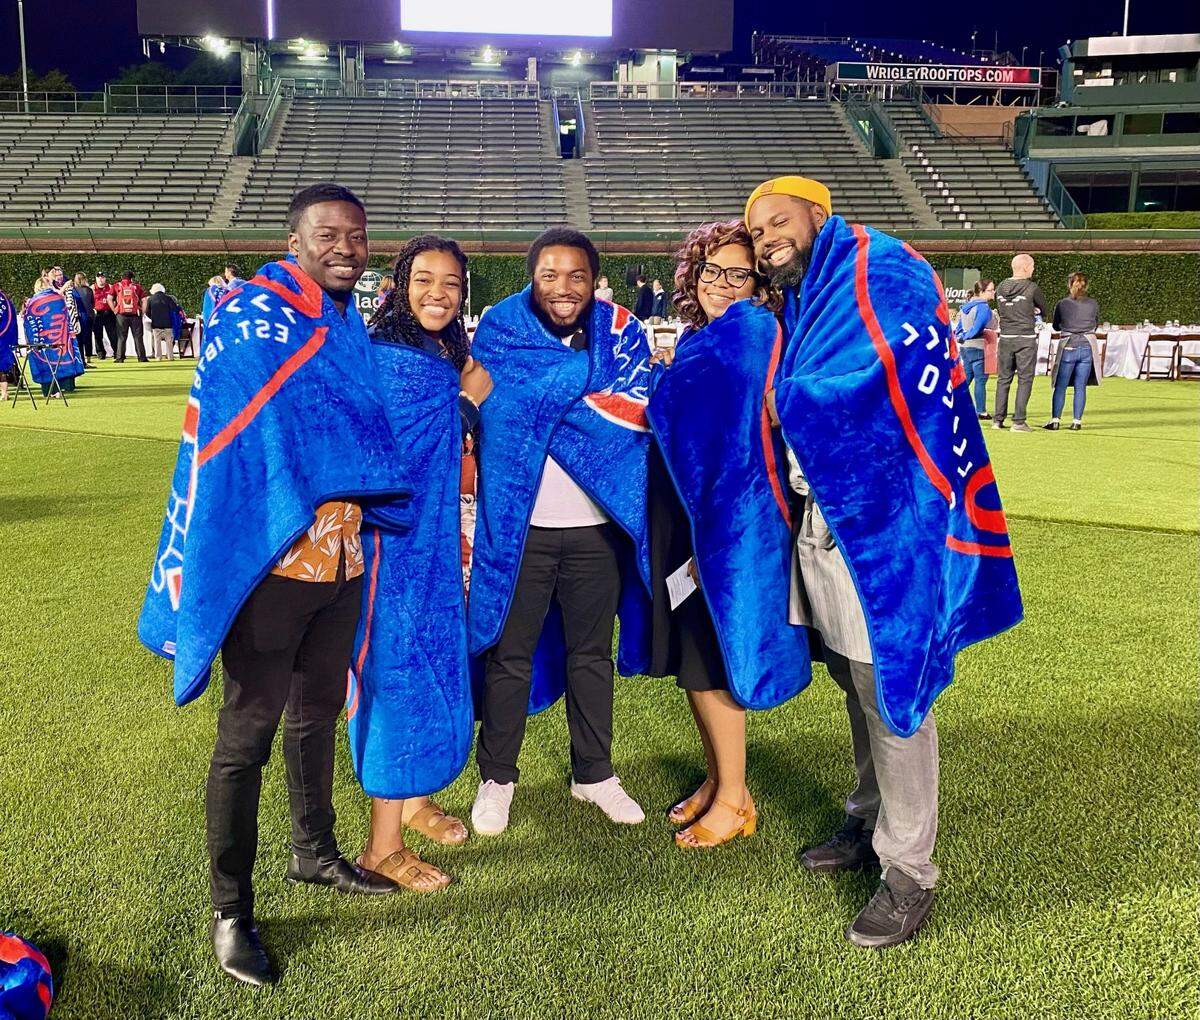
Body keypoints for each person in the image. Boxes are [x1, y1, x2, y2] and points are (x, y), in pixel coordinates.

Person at [139, 183, 414, 988]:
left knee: (318, 712)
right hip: (271, 563)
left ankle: (314, 852)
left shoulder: (346, 322)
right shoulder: (252, 316)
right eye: (328, 234)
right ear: (294, 241)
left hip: (342, 560)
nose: (345, 247)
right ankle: (230, 911)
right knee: (246, 735)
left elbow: (357, 428)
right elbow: (245, 436)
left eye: (357, 235)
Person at [745, 176, 1022, 949]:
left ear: (818, 214)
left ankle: (909, 871)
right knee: (855, 680)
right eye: (756, 231)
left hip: (885, 525)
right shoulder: (810, 297)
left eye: (778, 221)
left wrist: (788, 402)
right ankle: (870, 822)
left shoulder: (881, 266)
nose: (767, 239)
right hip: (826, 518)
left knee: (894, 694)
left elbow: (885, 372)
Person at [468, 226, 653, 836]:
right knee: (510, 655)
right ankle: (497, 777)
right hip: (519, 528)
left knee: (591, 655)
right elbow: (500, 410)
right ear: (532, 278)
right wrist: (581, 380)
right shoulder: (501, 329)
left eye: (576, 275)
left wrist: (558, 393)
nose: (563, 287)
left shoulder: (622, 331)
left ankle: (594, 773)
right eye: (549, 275)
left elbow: (633, 417)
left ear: (595, 280)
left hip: (595, 529)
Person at [350, 234, 495, 892]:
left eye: (452, 283)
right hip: (393, 546)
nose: (438, 293)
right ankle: (381, 848)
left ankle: (414, 801)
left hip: (433, 545)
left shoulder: (444, 352)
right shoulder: (386, 354)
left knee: (435, 663)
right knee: (399, 678)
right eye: (424, 280)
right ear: (400, 285)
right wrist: (464, 403)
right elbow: (391, 456)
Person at [646, 220, 790, 849]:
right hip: (695, 516)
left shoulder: (750, 332)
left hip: (726, 526)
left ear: (759, 284)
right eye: (712, 271)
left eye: (739, 274)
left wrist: (661, 382)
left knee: (713, 659)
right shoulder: (708, 337)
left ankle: (733, 798)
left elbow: (724, 438)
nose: (723, 284)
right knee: (696, 657)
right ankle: (719, 780)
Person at [992, 254, 1046, 433]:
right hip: (1025, 338)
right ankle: (1019, 422)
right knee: (1025, 379)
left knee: (1003, 379)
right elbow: (1044, 309)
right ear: (1025, 267)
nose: (1033, 270)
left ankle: (998, 420)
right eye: (1032, 266)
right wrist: (1033, 310)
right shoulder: (1032, 288)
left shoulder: (1001, 287)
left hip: (1005, 337)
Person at [1044, 272, 1101, 431]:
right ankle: (1077, 421)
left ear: (1069, 285)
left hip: (1068, 345)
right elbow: (1095, 323)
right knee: (1080, 386)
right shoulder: (1093, 304)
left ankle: (1055, 420)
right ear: (1086, 286)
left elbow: (1056, 326)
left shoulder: (1062, 304)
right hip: (1087, 346)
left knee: (1060, 385)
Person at [953, 279, 996, 420]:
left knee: (966, 378)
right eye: (990, 290)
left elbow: (959, 328)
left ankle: (953, 405)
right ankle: (981, 411)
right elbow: (977, 328)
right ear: (982, 292)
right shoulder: (983, 307)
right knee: (981, 380)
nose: (993, 292)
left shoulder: (966, 306)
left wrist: (961, 337)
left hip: (965, 348)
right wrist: (967, 336)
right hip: (978, 346)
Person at [112, 270, 148, 363]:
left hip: (121, 315)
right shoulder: (137, 287)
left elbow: (109, 298)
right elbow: (144, 300)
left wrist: (114, 309)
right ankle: (142, 357)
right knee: (138, 337)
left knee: (121, 337)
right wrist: (143, 312)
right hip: (135, 315)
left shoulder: (116, 286)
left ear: (122, 277)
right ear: (132, 278)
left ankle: (120, 358)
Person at [146, 283, 182, 361]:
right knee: (169, 340)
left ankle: (158, 357)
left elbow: (147, 312)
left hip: (156, 323)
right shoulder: (168, 298)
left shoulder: (150, 299)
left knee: (157, 341)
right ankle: (170, 356)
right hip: (168, 323)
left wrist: (153, 317)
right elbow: (175, 309)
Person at [89, 271, 118, 361]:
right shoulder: (92, 288)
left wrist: (115, 308)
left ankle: (117, 352)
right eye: (99, 277)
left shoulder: (110, 287)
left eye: (102, 277)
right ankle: (101, 353)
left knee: (113, 334)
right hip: (97, 313)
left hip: (109, 313)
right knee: (98, 335)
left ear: (105, 278)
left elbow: (116, 299)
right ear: (96, 278)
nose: (100, 279)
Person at [71, 272, 94, 365]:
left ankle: (81, 360)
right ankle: (88, 358)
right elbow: (92, 303)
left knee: (79, 339)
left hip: (77, 317)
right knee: (88, 338)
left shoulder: (72, 291)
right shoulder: (89, 290)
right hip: (88, 316)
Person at [0, 285, 17, 404]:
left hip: (3, 338)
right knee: (2, 367)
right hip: (5, 337)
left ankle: (4, 393)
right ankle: (4, 392)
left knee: (2, 367)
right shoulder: (5, 299)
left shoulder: (4, 299)